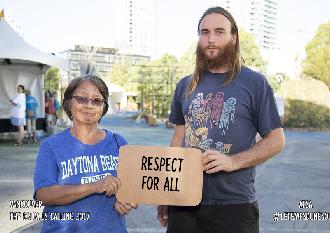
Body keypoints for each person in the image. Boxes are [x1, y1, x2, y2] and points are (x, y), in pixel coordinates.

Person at [157, 7, 285, 233]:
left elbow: (276, 140)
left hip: (234, 205)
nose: (211, 39)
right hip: (185, 200)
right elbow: (179, 136)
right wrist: (168, 191)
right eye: (204, 32)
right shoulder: (185, 85)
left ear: (233, 37)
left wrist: (232, 161)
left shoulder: (254, 82)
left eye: (219, 32)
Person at [33, 75, 137, 233]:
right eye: (81, 98)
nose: (89, 105)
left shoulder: (118, 142)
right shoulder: (51, 145)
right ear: (68, 103)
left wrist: (125, 201)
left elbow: (130, 188)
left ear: (104, 107)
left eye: (97, 100)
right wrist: (95, 186)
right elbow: (43, 195)